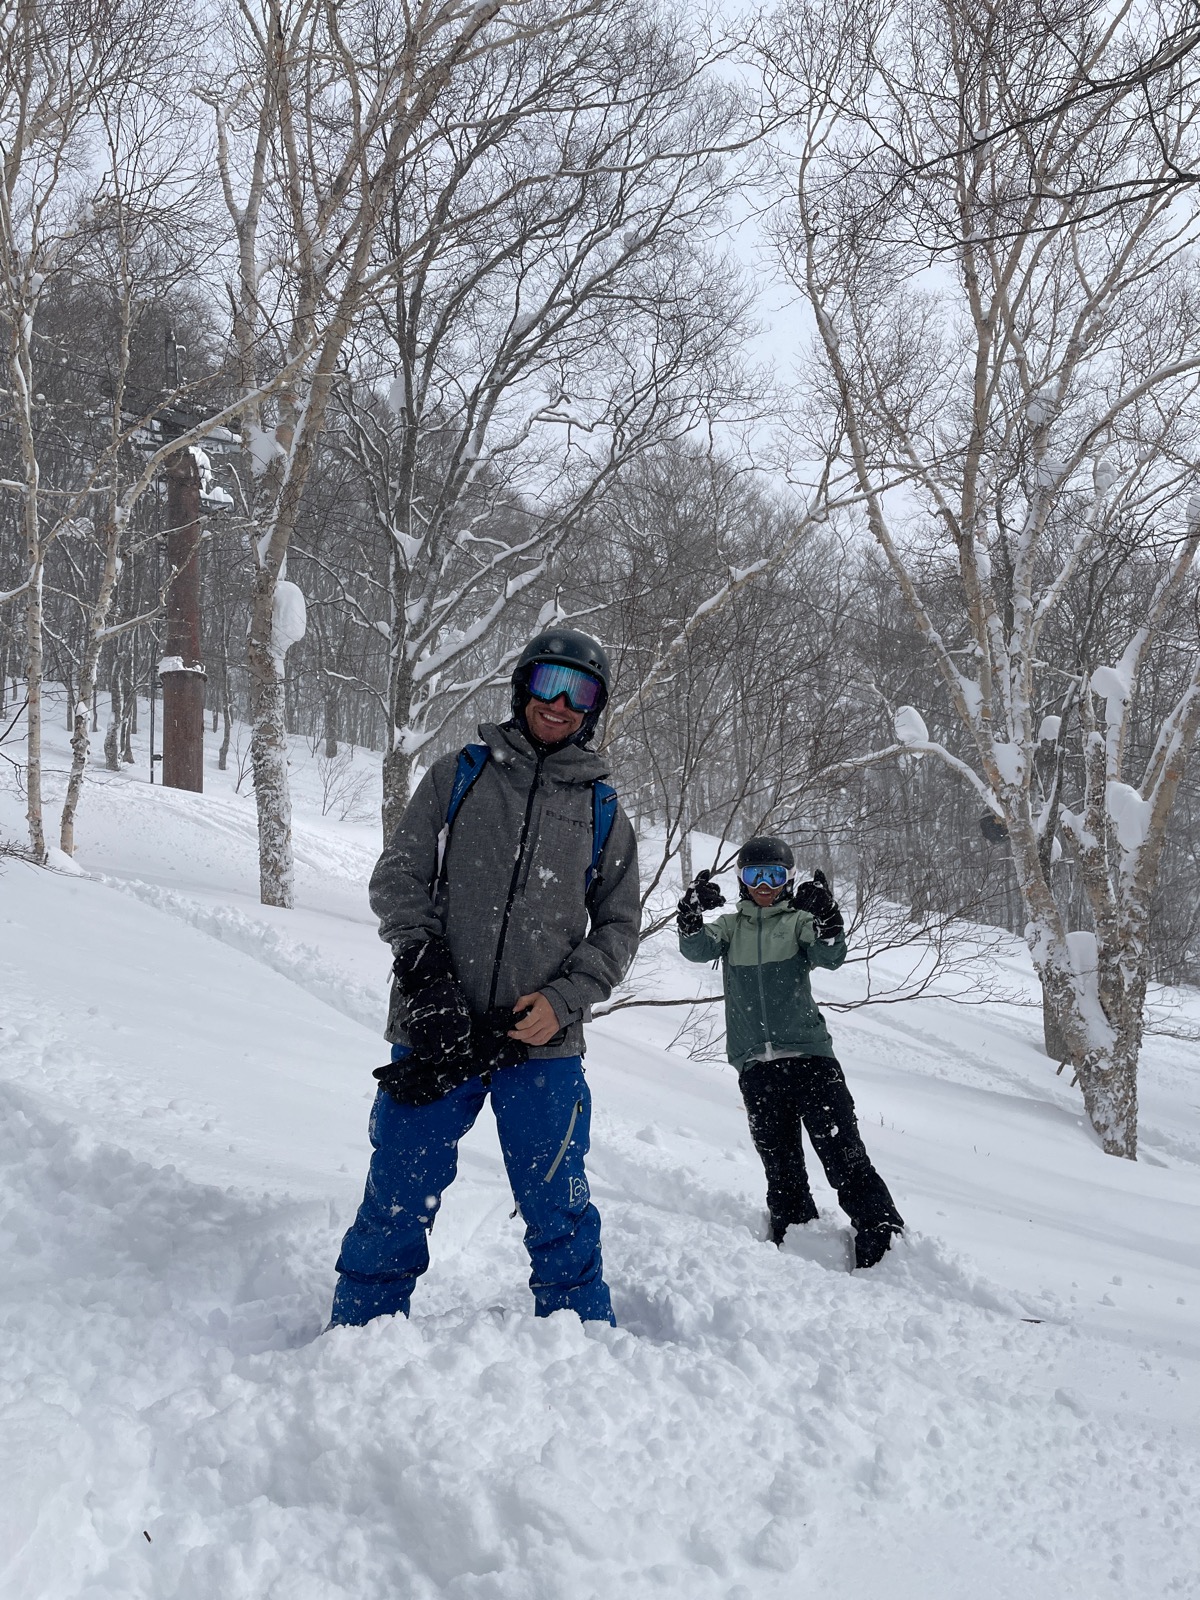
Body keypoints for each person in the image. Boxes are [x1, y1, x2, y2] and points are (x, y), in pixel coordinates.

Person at [330, 627, 640, 1327]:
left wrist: (564, 1001)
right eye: (549, 682)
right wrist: (426, 977)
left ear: (594, 708)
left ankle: (584, 1343)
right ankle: (358, 1338)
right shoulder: (460, 775)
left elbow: (619, 928)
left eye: (580, 692)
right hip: (436, 1030)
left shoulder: (602, 810)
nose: (560, 704)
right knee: (397, 1196)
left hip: (540, 1046)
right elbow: (399, 878)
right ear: (523, 685)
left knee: (558, 1207)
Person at [676, 835, 904, 1268]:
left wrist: (828, 919)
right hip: (756, 1067)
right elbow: (696, 948)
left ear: (789, 879)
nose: (764, 886)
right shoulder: (730, 928)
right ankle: (795, 1240)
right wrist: (689, 916)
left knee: (844, 1155)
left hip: (810, 1060)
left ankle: (883, 1238)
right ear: (742, 880)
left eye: (774, 876)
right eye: (755, 875)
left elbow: (830, 955)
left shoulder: (798, 921)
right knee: (780, 1165)